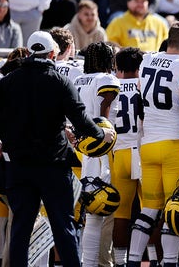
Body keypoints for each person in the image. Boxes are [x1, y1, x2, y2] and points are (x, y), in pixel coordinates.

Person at [0, 30, 115, 266]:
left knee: (21, 228)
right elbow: (82, 119)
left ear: (31, 51)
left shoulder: (9, 81)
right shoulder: (59, 81)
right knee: (63, 226)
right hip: (53, 165)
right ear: (53, 52)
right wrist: (101, 134)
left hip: (19, 166)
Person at [127, 21, 179, 267]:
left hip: (148, 143)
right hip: (175, 144)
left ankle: (132, 261)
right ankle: (169, 262)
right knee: (174, 207)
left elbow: (140, 99)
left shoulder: (148, 60)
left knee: (148, 209)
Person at [72, 41, 120, 267]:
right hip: (97, 149)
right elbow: (104, 116)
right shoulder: (106, 79)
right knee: (94, 210)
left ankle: (82, 261)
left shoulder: (78, 78)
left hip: (76, 148)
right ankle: (88, 263)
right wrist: (104, 135)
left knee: (78, 209)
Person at [110, 47, 144, 267]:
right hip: (142, 152)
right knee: (151, 210)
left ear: (117, 67)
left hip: (120, 152)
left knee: (120, 214)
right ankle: (157, 258)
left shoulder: (110, 85)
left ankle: (121, 262)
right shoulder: (144, 85)